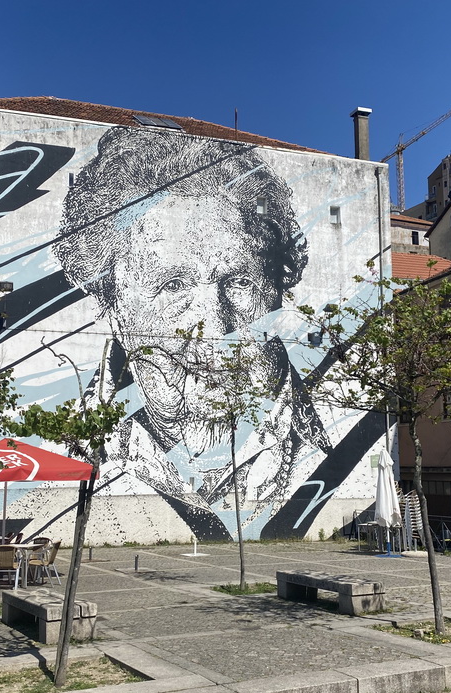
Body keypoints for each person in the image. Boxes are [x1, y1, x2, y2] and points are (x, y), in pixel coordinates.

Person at [55, 128, 331, 540]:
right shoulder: (65, 459)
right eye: (173, 285)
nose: (216, 328)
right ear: (112, 306)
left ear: (276, 288)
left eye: (238, 281)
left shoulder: (345, 444)